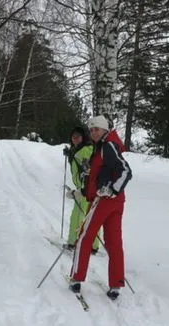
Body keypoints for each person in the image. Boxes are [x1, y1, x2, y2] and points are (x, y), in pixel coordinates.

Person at [68, 115, 132, 300]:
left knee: (84, 237)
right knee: (113, 243)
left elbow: (126, 171)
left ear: (104, 130)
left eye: (96, 129)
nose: (93, 132)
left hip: (105, 201)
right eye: (91, 129)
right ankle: (115, 285)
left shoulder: (107, 146)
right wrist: (81, 193)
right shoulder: (104, 146)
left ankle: (76, 278)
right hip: (115, 202)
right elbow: (99, 176)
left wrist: (111, 190)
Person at [63, 126, 100, 254]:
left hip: (86, 189)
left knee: (78, 216)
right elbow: (78, 167)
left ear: (83, 137)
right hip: (88, 189)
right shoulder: (80, 149)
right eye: (73, 137)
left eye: (78, 136)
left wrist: (85, 185)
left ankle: (73, 243)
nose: (75, 139)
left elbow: (89, 167)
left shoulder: (86, 149)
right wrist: (70, 155)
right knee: (91, 217)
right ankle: (93, 246)